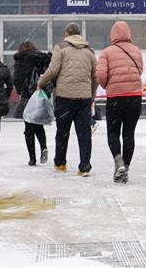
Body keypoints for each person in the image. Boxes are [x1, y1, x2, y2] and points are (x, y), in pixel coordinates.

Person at [37, 22, 97, 176]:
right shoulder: (89, 51)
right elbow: (95, 76)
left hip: (65, 97)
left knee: (63, 131)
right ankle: (84, 167)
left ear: (67, 34)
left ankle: (60, 163)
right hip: (84, 98)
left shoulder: (61, 47)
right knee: (84, 134)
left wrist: (41, 82)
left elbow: (53, 70)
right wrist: (91, 94)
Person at [96, 21, 143, 183]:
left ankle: (119, 162)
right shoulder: (136, 50)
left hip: (116, 98)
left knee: (113, 133)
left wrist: (107, 85)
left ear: (113, 35)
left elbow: (101, 76)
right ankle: (126, 167)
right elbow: (140, 70)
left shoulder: (107, 52)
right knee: (129, 134)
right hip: (135, 97)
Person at [13, 41, 51, 166]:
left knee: (28, 128)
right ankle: (43, 147)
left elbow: (17, 79)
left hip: (27, 96)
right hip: (39, 94)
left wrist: (21, 90)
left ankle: (32, 159)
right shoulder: (41, 58)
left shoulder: (21, 61)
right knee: (38, 124)